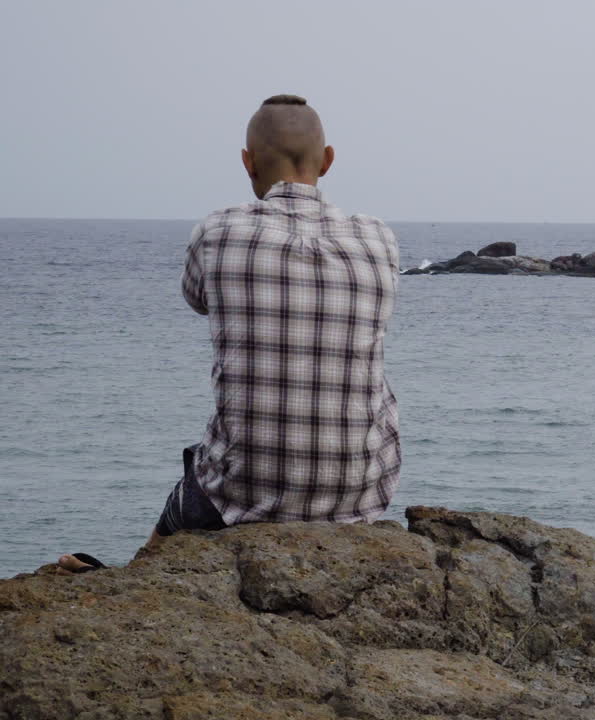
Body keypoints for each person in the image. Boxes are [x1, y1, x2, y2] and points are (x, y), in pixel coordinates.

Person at [58, 95, 401, 572]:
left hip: (243, 486)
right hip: (357, 487)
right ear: (327, 160)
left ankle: (134, 578)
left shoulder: (218, 230)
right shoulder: (378, 237)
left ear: (248, 161)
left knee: (183, 505)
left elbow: (197, 299)